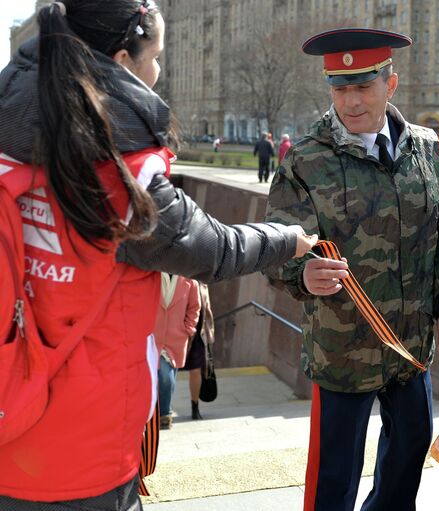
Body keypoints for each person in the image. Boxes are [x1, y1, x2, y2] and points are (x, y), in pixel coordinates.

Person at [0, 1, 316, 509]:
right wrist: (285, 238)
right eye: (157, 57)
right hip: (82, 449)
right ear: (123, 61)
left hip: (9, 417)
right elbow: (209, 249)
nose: (159, 71)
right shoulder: (120, 173)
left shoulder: (10, 133)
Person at [265, 28, 439, 511]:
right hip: (342, 350)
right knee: (334, 475)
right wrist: (301, 276)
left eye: (363, 87)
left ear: (390, 85)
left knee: (407, 459)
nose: (351, 101)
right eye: (340, 89)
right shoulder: (307, 159)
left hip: (410, 346)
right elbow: (277, 247)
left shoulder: (424, 147)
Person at [154, 274, 201, 429]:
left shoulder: (190, 282)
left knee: (169, 377)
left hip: (176, 339)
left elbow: (195, 307)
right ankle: (164, 414)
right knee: (164, 377)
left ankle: (162, 411)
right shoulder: (151, 275)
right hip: (152, 337)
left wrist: (188, 329)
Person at [180, 281, 215, 421]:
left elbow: (207, 310)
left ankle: (195, 407)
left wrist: (210, 335)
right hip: (178, 333)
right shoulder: (179, 281)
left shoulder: (202, 284)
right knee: (168, 373)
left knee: (196, 370)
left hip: (198, 334)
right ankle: (164, 409)